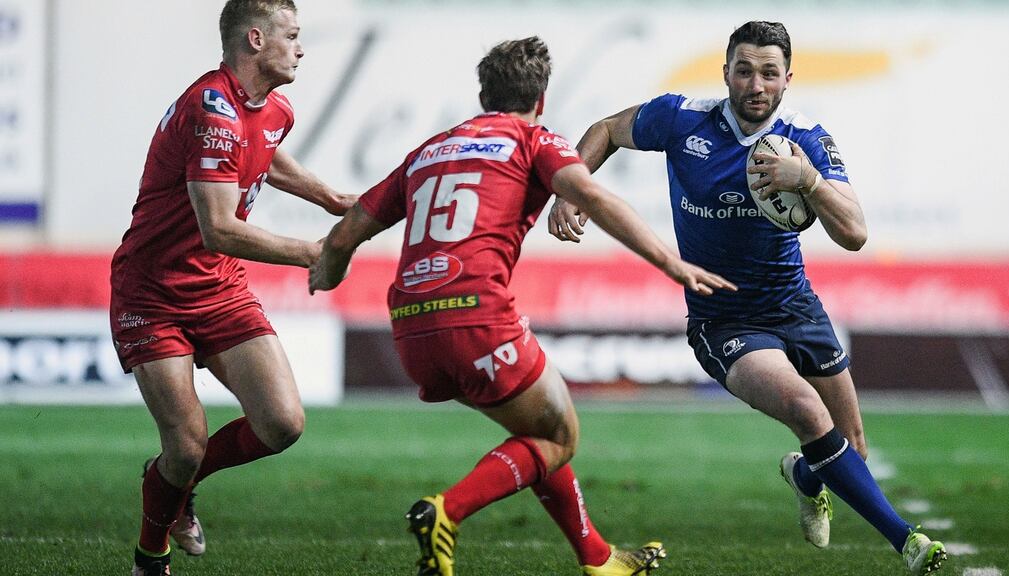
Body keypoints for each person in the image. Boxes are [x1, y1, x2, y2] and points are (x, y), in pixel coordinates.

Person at [310, 36, 735, 576]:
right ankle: (447, 511)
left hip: (410, 329)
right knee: (558, 436)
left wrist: (329, 271)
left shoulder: (430, 150)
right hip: (476, 317)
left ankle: (599, 559)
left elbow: (345, 234)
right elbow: (596, 198)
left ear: (484, 92)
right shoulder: (532, 138)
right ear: (542, 97)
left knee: (537, 432)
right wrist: (672, 265)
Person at [547, 20, 947, 576]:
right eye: (744, 70)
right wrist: (571, 190)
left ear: (787, 78)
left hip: (796, 307)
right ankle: (907, 541)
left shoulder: (804, 139)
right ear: (727, 73)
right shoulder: (683, 117)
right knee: (809, 412)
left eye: (768, 72)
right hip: (723, 317)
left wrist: (805, 180)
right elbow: (608, 129)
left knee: (848, 451)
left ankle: (804, 477)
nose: (755, 84)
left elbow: (855, 234)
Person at [109, 2, 356, 574]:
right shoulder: (211, 108)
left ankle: (178, 485)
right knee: (186, 442)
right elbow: (218, 229)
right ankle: (151, 556)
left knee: (282, 423)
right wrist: (314, 254)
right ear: (254, 39)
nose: (300, 48)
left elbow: (269, 154)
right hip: (153, 292)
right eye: (291, 37)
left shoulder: (272, 108)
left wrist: (333, 200)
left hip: (218, 289)